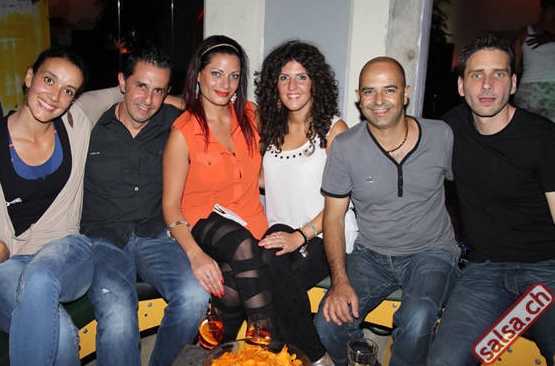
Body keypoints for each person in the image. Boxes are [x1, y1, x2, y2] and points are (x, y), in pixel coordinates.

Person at [314, 57, 460, 366]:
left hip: (431, 252)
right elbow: (333, 217)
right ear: (359, 97)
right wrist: (339, 281)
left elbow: (469, 192)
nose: (379, 100)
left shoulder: (441, 136)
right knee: (329, 322)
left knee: (416, 320)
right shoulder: (345, 147)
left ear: (405, 94)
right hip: (371, 255)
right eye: (369, 91)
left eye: (389, 90)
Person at [0, 48, 94, 365]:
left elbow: (130, 91)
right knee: (60, 334)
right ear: (29, 77)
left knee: (40, 276)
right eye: (49, 80)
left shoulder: (77, 123)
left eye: (68, 91)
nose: (55, 97)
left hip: (66, 252)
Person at [427, 33, 555, 366]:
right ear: (461, 86)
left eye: (498, 74)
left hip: (545, 270)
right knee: (443, 362)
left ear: (513, 84)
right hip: (484, 272)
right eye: (476, 75)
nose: (486, 85)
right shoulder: (450, 129)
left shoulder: (543, 136)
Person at [78, 47, 209, 366]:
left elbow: (223, 110)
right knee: (118, 314)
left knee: (195, 295)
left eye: (158, 90)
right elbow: (34, 122)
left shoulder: (175, 123)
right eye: (141, 86)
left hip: (156, 233)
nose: (148, 100)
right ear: (122, 82)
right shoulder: (88, 125)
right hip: (103, 238)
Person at [162, 35, 274, 342]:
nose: (225, 84)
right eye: (216, 73)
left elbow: (261, 173)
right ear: (198, 75)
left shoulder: (250, 115)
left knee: (232, 292)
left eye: (234, 75)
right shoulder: (183, 132)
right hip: (202, 222)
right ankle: (264, 343)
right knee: (242, 245)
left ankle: (213, 351)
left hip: (250, 220)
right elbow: (170, 206)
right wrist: (195, 254)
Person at [255, 40, 355, 365]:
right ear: (274, 85)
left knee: (270, 282)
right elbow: (260, 180)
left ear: (315, 82)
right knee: (267, 270)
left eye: (301, 77)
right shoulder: (271, 128)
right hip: (281, 235)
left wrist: (301, 235)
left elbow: (343, 198)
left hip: (326, 235)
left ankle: (313, 357)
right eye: (284, 78)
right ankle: (305, 358)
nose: (292, 86)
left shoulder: (333, 130)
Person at [512, 0, 555, 122]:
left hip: (529, 91)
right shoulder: (526, 32)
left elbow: (513, 64)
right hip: (545, 91)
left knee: (526, 130)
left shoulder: (525, 32)